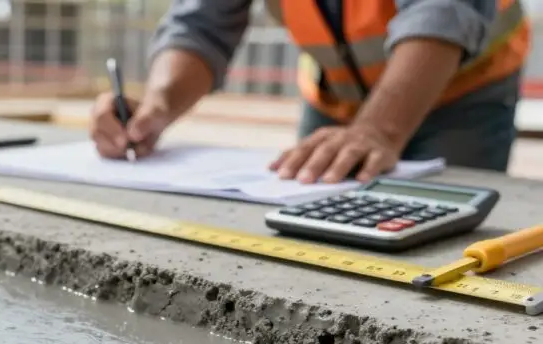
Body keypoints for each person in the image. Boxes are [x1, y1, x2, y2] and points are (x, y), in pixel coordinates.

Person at [89, 0, 530, 184]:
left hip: (462, 93)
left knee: (438, 236)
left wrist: (378, 130)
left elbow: (443, 8)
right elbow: (201, 25)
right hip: (336, 99)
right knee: (314, 209)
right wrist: (158, 106)